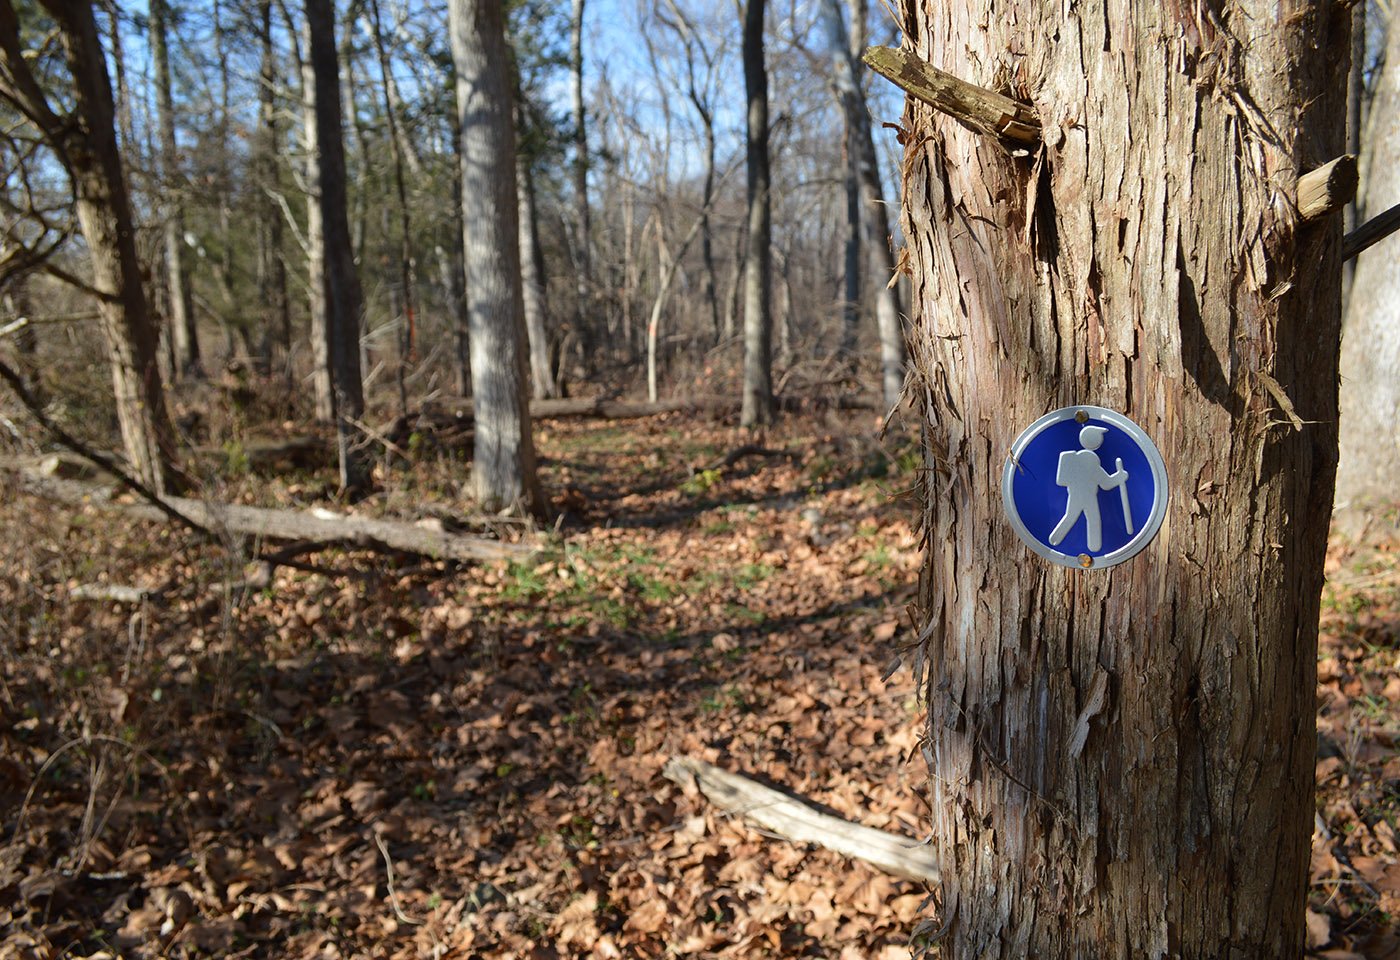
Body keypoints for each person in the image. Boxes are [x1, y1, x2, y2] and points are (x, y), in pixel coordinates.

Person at [1048, 425, 1127, 552]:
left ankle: (1056, 539)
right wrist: (1120, 477)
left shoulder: (1074, 459)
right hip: (1088, 496)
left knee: (1071, 516)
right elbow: (1106, 483)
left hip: (1075, 494)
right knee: (1092, 519)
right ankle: (1094, 547)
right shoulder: (1092, 462)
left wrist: (1119, 477)